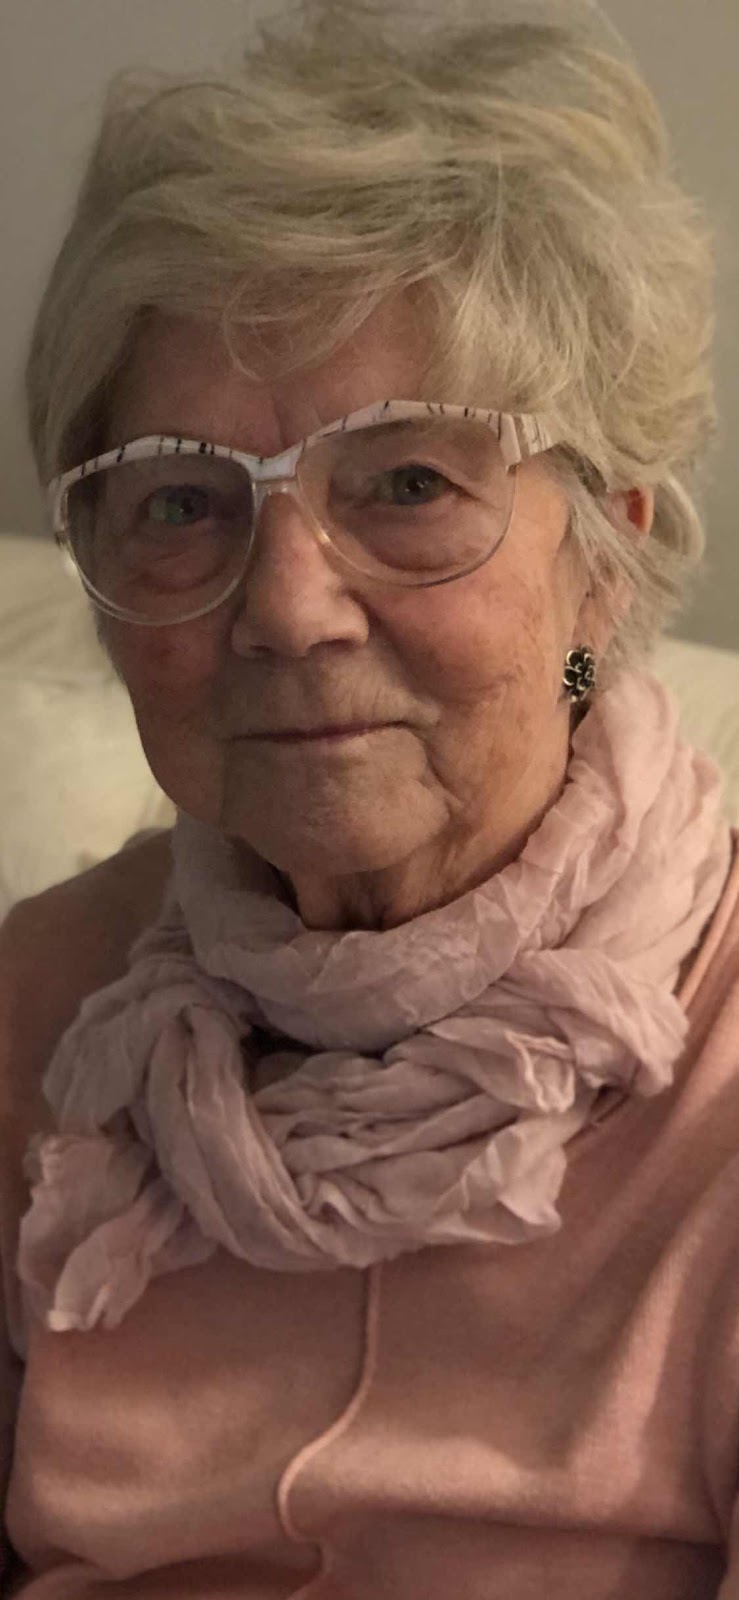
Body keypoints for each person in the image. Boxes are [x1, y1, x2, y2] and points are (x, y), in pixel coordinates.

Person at [1, 0, 738, 1593]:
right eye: (181, 502)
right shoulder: (40, 1012)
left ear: (603, 554)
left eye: (410, 481)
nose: (287, 608)